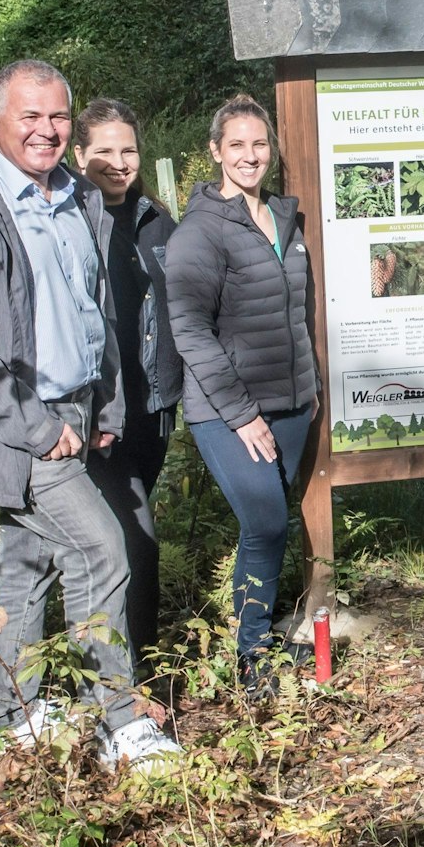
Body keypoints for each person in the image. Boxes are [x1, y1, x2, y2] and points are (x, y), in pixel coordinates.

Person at [0, 60, 180, 770]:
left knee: (25, 565)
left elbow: (94, 310)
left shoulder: (78, 197)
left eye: (58, 116)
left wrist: (105, 402)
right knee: (101, 550)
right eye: (30, 115)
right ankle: (118, 721)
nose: (47, 130)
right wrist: (38, 427)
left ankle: (11, 717)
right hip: (14, 422)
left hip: (74, 408)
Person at [165, 95, 318, 687]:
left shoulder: (283, 219)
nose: (250, 156)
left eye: (259, 144)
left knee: (269, 526)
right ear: (215, 151)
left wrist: (310, 386)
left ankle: (259, 639)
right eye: (237, 145)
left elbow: (296, 313)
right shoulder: (200, 231)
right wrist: (240, 414)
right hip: (229, 412)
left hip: (291, 405)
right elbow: (189, 331)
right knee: (266, 523)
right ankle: (251, 657)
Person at [73, 98, 181, 676]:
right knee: (135, 540)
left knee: (123, 540)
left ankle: (115, 664)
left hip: (152, 410)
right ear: (79, 155)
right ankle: (137, 677)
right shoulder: (68, 221)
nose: (119, 163)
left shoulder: (156, 221)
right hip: (99, 416)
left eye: (129, 150)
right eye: (105, 152)